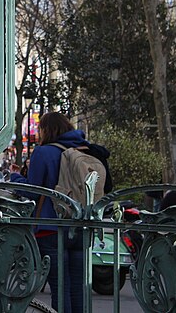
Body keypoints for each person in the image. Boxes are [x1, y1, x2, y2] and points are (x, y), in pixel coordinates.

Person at [27, 112, 111, 313]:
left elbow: (31, 190)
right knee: (77, 287)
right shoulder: (87, 150)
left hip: (51, 227)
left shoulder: (43, 152)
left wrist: (14, 178)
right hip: (81, 225)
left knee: (60, 287)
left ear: (46, 130)